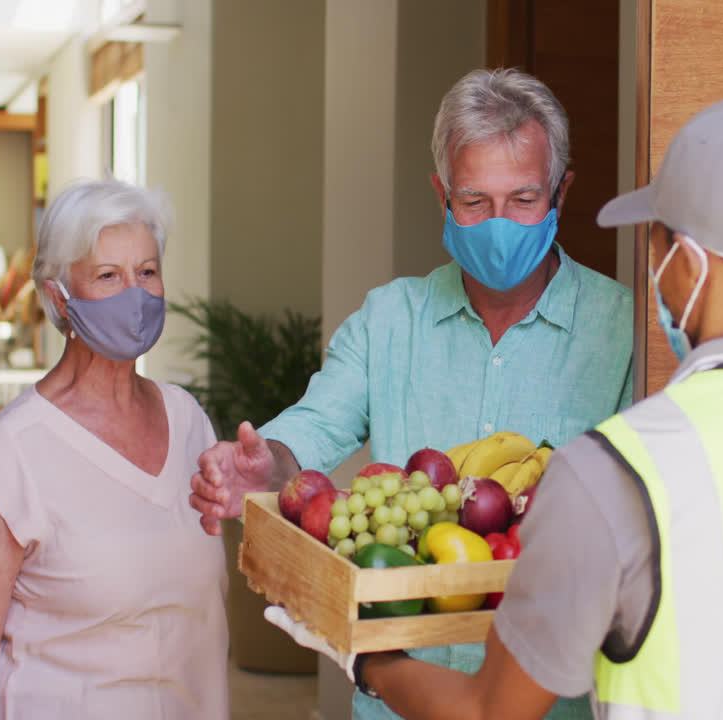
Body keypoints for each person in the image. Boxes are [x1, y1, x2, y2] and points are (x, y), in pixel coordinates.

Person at [264, 97, 723, 719]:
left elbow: (491, 711)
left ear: (688, 263)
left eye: (658, 243)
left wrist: (360, 655)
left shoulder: (621, 474)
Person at [189, 68, 634, 720]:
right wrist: (265, 465)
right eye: (475, 201)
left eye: (524, 199)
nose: (498, 224)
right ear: (441, 194)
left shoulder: (622, 330)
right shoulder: (388, 321)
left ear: (562, 191)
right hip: (395, 705)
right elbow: (309, 432)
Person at [0, 179, 230, 719]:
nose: (136, 294)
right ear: (58, 297)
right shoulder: (12, 455)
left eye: (147, 272)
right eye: (107, 276)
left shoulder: (189, 421)